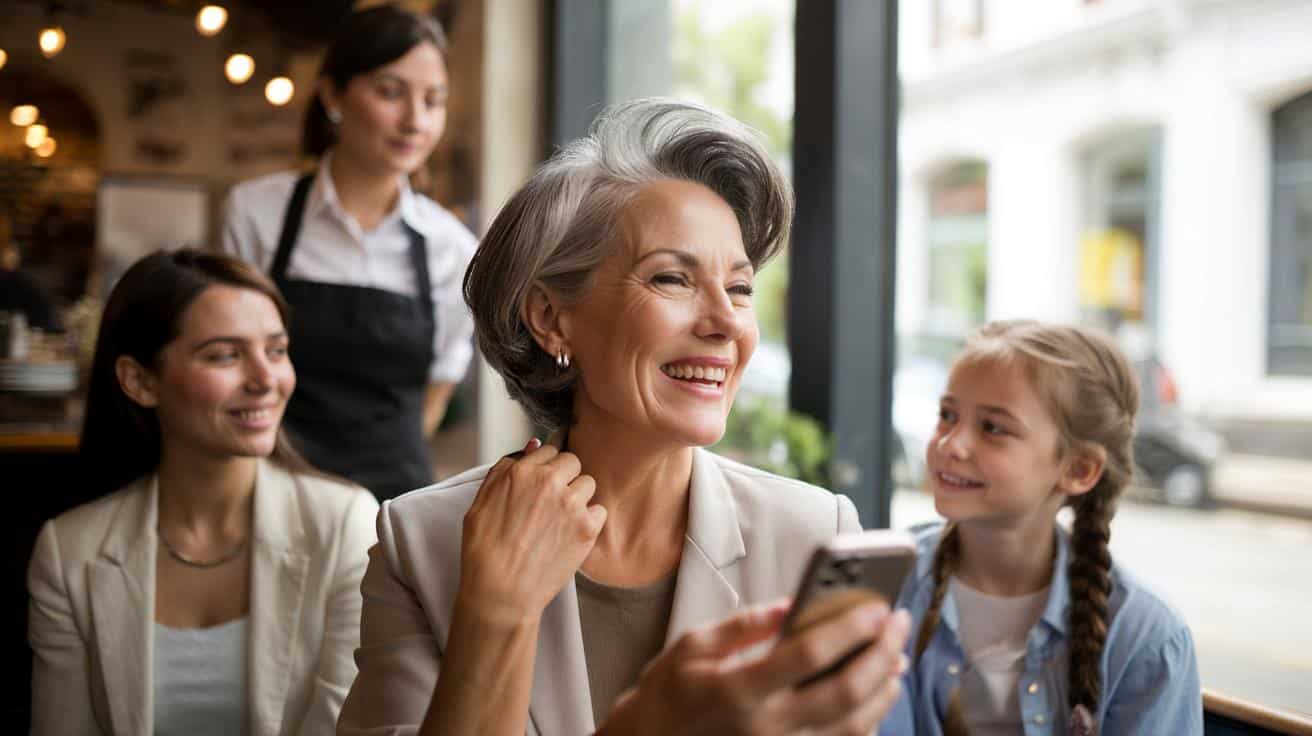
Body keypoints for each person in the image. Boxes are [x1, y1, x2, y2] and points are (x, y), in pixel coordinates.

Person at [337, 98, 912, 736]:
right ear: (551, 317)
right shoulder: (421, 540)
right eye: (672, 279)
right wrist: (495, 613)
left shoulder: (812, 532)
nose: (725, 323)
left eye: (741, 288)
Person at [27, 249, 379, 735]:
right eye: (225, 355)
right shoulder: (69, 552)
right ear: (139, 381)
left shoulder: (345, 524)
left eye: (276, 350)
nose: (265, 380)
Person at [885, 321, 1202, 735]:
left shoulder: (1148, 638)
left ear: (1079, 469)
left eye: (993, 428)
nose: (950, 444)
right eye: (948, 415)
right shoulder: (888, 587)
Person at [221, 4, 476, 501]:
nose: (415, 121)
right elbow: (230, 362)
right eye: (390, 92)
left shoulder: (453, 248)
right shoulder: (255, 212)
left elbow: (435, 396)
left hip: (394, 505)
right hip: (273, 492)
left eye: (433, 100)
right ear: (333, 93)